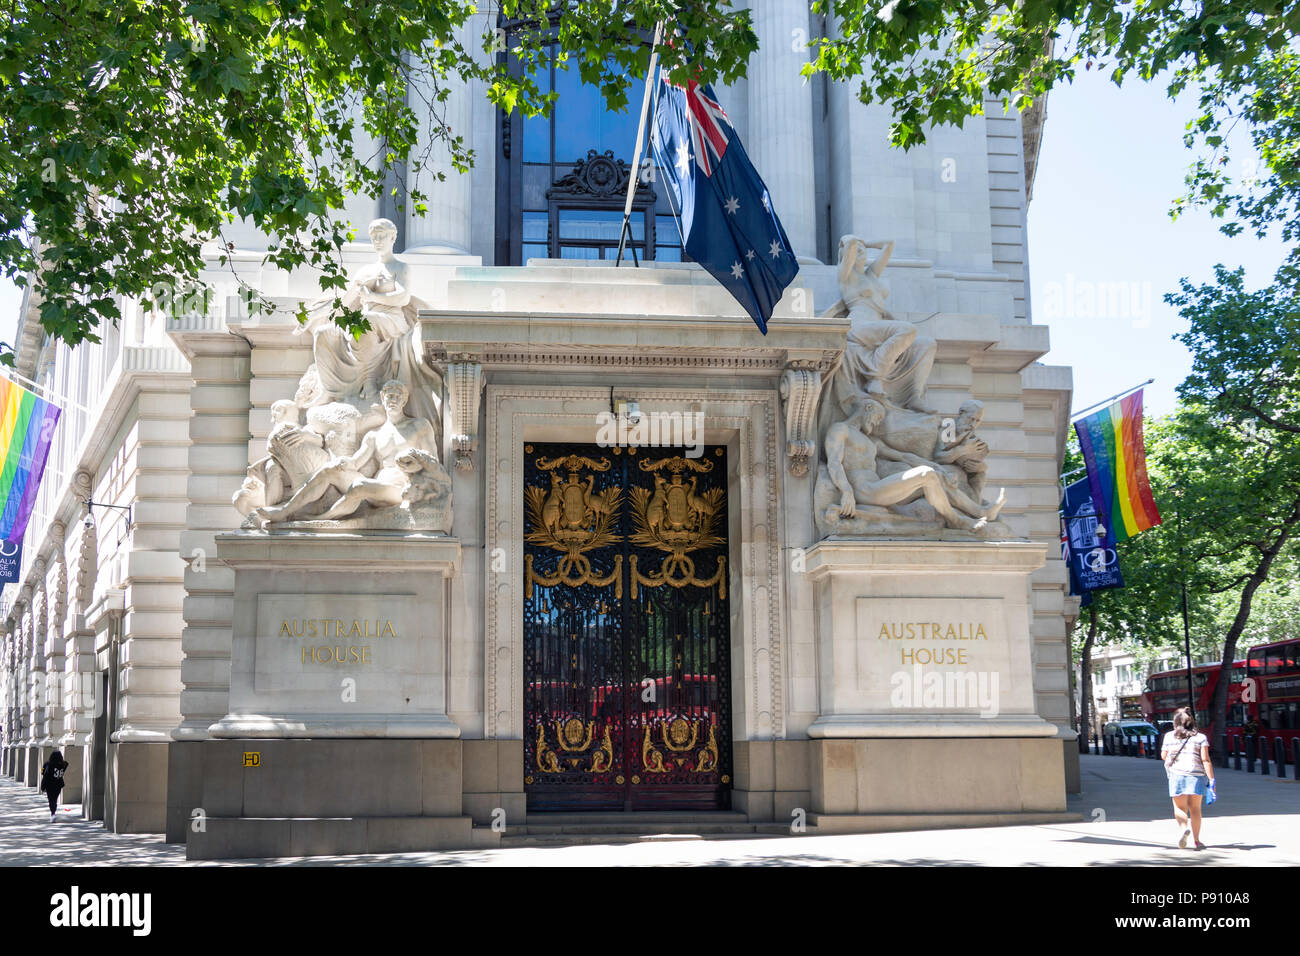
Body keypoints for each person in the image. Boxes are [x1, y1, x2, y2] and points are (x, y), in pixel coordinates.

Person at [1161, 707, 1214, 850]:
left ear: (1175, 722)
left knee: (1179, 808)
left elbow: (1164, 756)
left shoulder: (1169, 736)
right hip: (1197, 776)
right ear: (1191, 721)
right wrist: (1211, 779)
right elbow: (1206, 760)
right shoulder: (1201, 738)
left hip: (1177, 776)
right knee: (1196, 809)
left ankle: (1184, 828)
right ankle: (1197, 840)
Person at [39, 750, 68, 822]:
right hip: (58, 784)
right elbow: (65, 765)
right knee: (55, 798)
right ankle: (53, 812)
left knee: (51, 799)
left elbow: (42, 772)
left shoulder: (47, 764)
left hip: (49, 784)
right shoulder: (64, 764)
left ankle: (53, 813)